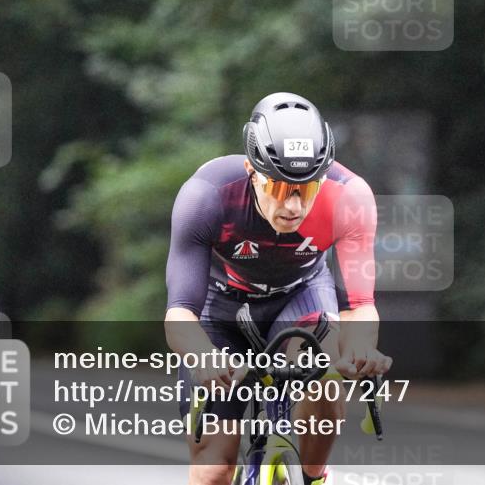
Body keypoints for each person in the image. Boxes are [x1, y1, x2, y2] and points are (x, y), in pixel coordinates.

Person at [165, 92, 392, 485]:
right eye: (281, 187)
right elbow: (180, 312)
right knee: (215, 469)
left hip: (300, 295)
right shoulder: (206, 196)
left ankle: (313, 477)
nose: (294, 205)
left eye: (307, 188)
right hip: (220, 308)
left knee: (323, 375)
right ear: (253, 173)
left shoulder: (350, 197)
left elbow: (359, 304)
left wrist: (359, 349)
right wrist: (203, 356)